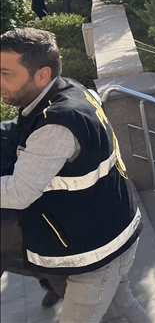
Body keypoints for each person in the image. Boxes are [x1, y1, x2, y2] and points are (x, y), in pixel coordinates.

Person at [0, 28, 149, 322]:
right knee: (122, 309)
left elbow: (19, 192)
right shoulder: (69, 90)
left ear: (42, 75)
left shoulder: (56, 124)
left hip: (95, 253)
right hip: (111, 231)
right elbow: (21, 130)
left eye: (6, 74)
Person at [1, 118, 65, 309]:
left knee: (52, 266)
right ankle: (50, 282)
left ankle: (61, 287)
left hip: (18, 221)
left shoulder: (10, 133)